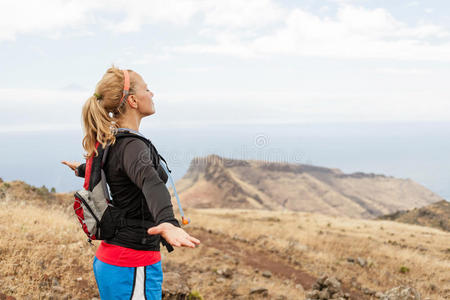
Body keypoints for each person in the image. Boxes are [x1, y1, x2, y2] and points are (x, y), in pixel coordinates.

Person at [62, 66, 200, 299]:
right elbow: (150, 182)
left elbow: (110, 169)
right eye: (147, 89)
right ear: (134, 100)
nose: (152, 94)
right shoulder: (132, 146)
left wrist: (81, 169)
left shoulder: (112, 140)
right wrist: (167, 222)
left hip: (112, 259)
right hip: (132, 264)